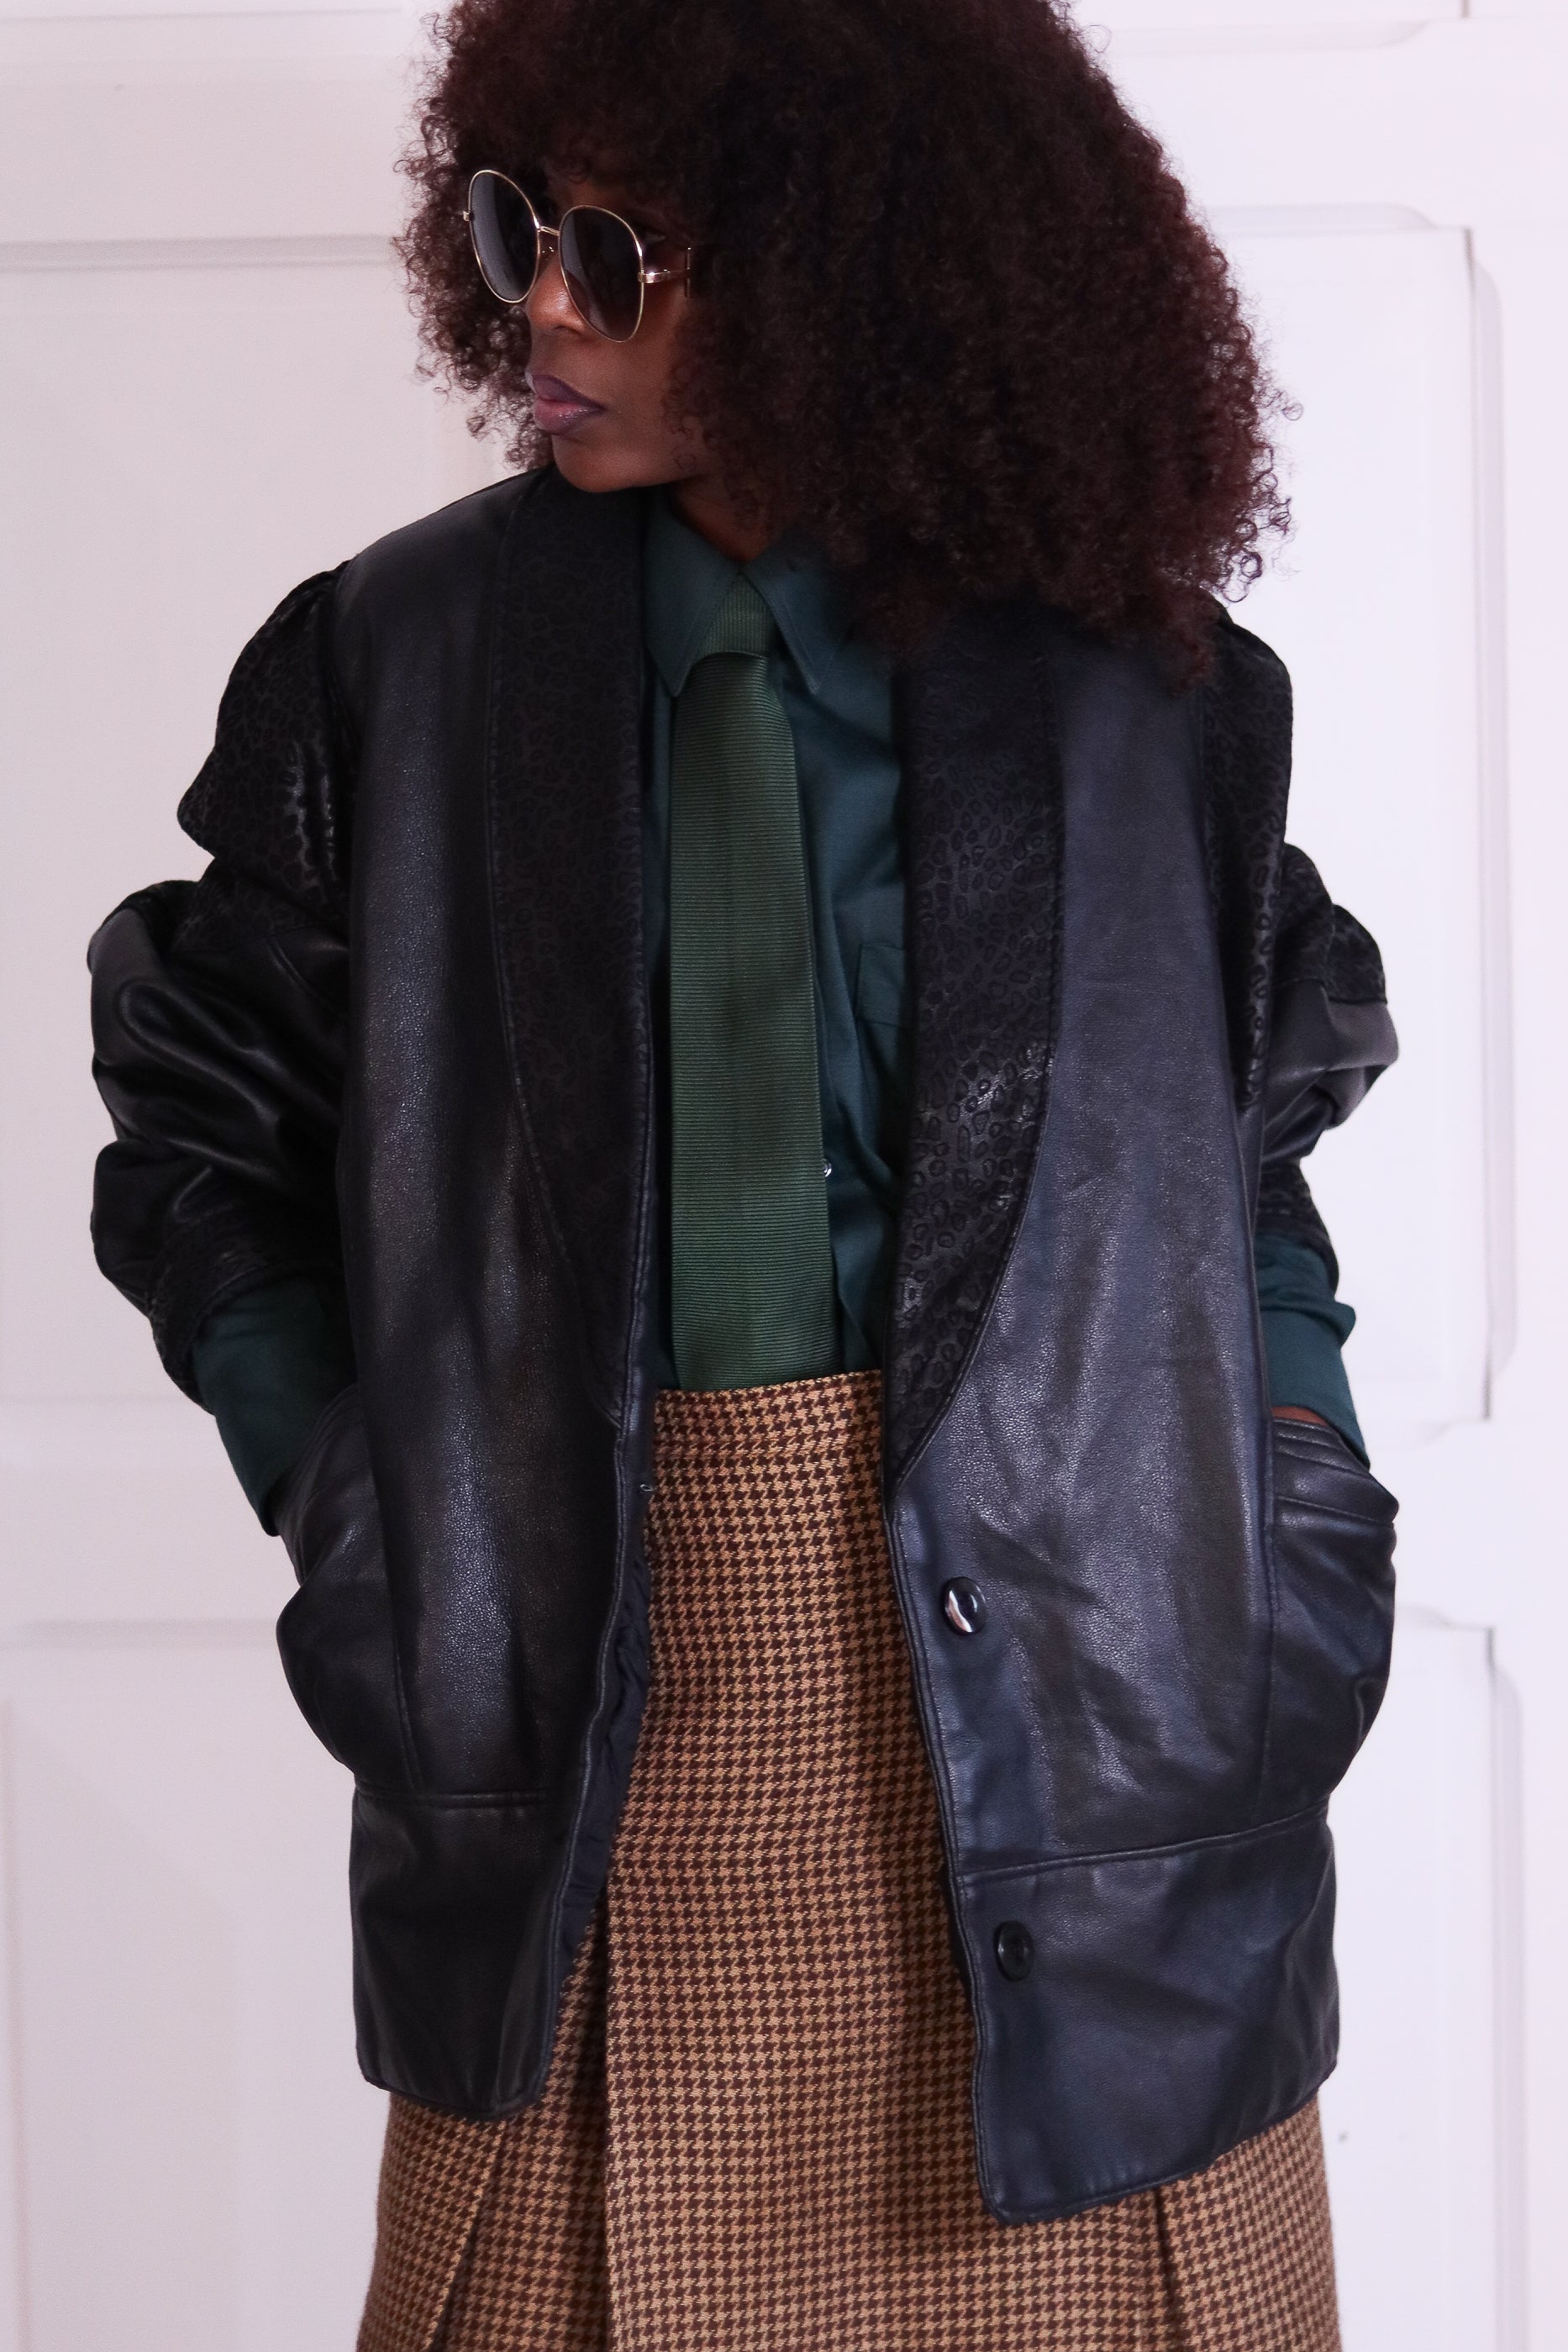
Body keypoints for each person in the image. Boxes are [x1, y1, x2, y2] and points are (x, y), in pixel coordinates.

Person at [87, 0, 1399, 2343]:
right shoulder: (394, 659)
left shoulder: (1149, 691)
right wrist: (359, 1499)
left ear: (846, 279)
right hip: (580, 1725)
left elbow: (1249, 1147)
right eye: (518, 227)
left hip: (1096, 1749)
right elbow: (203, 1119)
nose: (544, 305)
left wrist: (1296, 1484)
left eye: (621, 252)